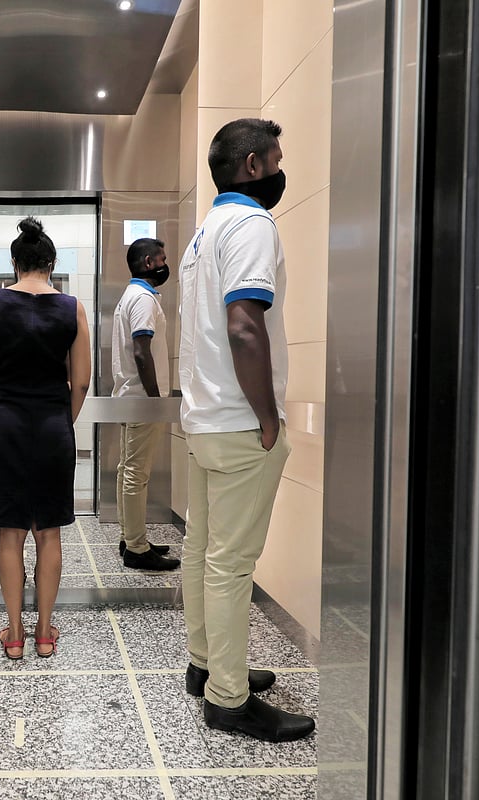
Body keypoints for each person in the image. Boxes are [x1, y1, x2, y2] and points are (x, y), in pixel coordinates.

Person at [177, 118, 315, 742]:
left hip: (204, 421)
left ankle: (207, 665)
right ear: (254, 165)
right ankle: (228, 700)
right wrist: (266, 416)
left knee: (203, 551)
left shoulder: (203, 233)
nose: (281, 170)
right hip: (238, 423)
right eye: (277, 159)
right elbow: (243, 326)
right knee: (231, 565)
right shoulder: (253, 224)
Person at [0, 217, 91, 659]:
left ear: (14, 262)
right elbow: (81, 381)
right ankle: (44, 633)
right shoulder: (73, 308)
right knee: (49, 532)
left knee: (11, 532)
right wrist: (63, 420)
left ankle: (15, 634)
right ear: (51, 264)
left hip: (5, 425)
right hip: (53, 426)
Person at [110, 237, 181, 571]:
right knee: (135, 474)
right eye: (162, 258)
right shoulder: (142, 299)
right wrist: (155, 400)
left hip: (131, 398)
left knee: (128, 470)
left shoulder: (132, 296)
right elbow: (142, 352)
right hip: (142, 400)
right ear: (149, 262)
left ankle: (130, 537)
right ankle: (137, 548)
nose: (166, 264)